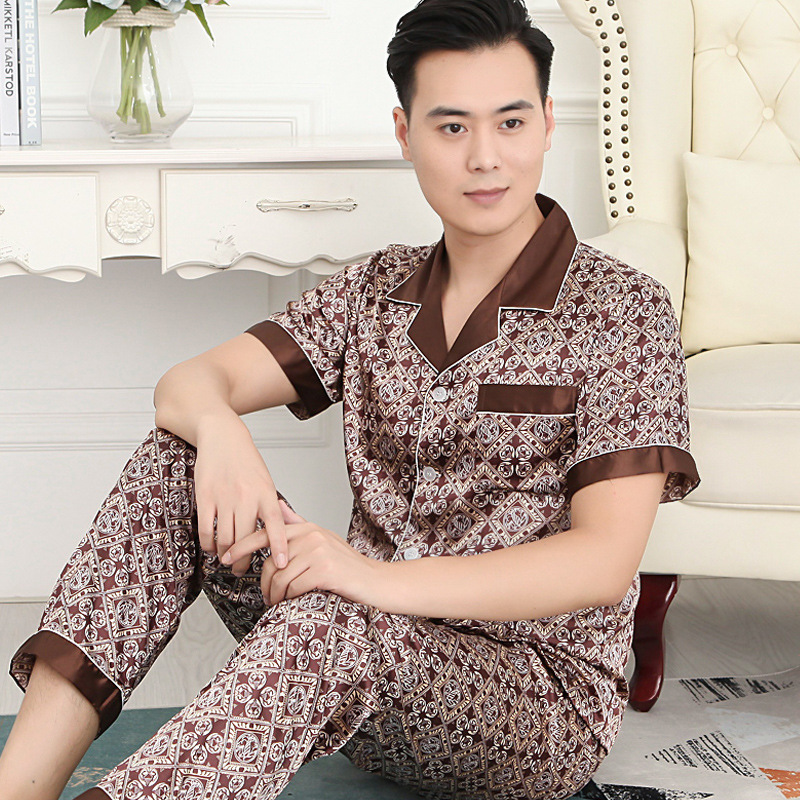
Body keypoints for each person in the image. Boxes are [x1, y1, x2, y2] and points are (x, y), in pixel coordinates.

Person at [0, 0, 701, 798]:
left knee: (331, 618)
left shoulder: (623, 309)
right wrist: (224, 432)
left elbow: (603, 562)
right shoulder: (376, 288)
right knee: (177, 459)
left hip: (534, 704)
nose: (485, 158)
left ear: (546, 123)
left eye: (510, 123)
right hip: (355, 667)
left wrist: (368, 581)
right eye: (452, 127)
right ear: (405, 134)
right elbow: (188, 384)